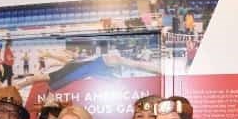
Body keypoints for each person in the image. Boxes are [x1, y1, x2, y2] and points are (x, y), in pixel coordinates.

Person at [15, 49, 161, 91]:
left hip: (74, 72)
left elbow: (137, 65)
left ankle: (18, 85)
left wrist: (159, 70)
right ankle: (18, 86)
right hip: (71, 72)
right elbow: (137, 65)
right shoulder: (104, 59)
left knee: (38, 79)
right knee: (37, 79)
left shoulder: (108, 60)